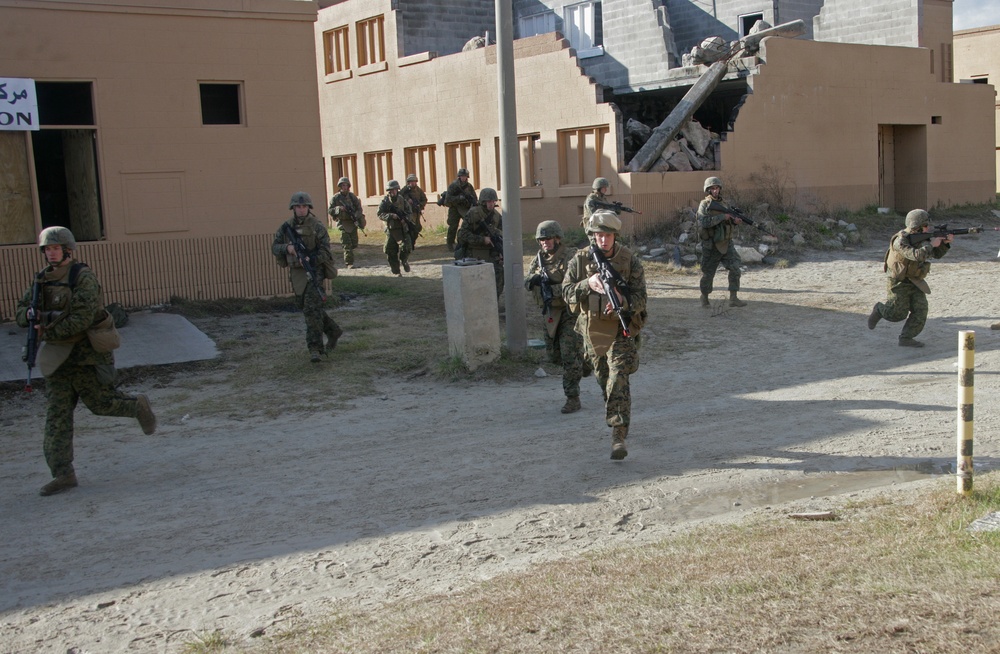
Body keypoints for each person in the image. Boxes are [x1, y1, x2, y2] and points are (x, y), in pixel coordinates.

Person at [15, 226, 157, 497]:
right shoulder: (40, 281)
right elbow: (22, 310)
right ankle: (63, 474)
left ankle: (137, 406)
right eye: (47, 249)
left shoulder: (83, 277)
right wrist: (30, 316)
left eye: (55, 248)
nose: (51, 254)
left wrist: (45, 326)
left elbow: (81, 318)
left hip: (87, 355)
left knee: (101, 404)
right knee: (56, 418)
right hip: (58, 358)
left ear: (67, 249)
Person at [562, 210, 647, 460]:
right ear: (593, 236)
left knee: (618, 377)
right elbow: (565, 293)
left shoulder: (629, 260)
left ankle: (617, 435)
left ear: (615, 235)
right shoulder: (580, 260)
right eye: (599, 235)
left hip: (620, 330)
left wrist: (623, 300)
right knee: (605, 382)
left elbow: (642, 298)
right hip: (592, 330)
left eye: (608, 235)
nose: (603, 240)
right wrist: (587, 284)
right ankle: (619, 417)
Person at [525, 220, 588, 414]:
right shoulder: (539, 259)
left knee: (569, 356)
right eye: (541, 239)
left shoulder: (570, 257)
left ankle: (572, 398)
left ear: (557, 238)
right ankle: (585, 361)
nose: (545, 242)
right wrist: (533, 281)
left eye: (548, 238)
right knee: (554, 356)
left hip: (570, 312)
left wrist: (549, 287)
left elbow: (575, 286)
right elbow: (527, 279)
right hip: (551, 313)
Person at [273, 191, 343, 362]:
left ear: (308, 208)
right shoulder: (286, 227)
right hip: (297, 273)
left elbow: (326, 251)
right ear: (293, 208)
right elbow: (275, 247)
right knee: (309, 309)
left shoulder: (317, 226)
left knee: (311, 310)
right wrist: (288, 249)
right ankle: (333, 331)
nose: (301, 209)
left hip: (314, 271)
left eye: (304, 206)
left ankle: (315, 349)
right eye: (298, 206)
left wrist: (310, 258)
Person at [867, 209, 951, 347]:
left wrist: (945, 244)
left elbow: (935, 254)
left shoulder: (922, 238)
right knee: (897, 313)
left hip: (915, 280)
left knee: (921, 310)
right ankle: (879, 310)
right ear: (916, 226)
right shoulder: (900, 240)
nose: (927, 228)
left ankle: (906, 338)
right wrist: (932, 244)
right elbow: (915, 255)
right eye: (925, 226)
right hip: (898, 281)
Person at [697, 176, 747, 308]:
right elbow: (703, 222)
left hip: (726, 242)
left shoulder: (724, 204)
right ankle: (704, 297)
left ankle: (733, 298)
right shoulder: (705, 205)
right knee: (708, 272)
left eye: (717, 188)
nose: (715, 191)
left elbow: (728, 222)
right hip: (712, 244)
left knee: (735, 268)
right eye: (712, 188)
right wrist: (722, 216)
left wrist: (734, 221)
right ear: (708, 190)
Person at [456, 187, 504, 299]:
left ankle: (493, 303)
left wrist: (497, 235)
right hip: (474, 253)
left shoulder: (497, 216)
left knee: (499, 278)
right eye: (488, 201)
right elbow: (462, 234)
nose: (491, 204)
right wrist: (482, 240)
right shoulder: (473, 213)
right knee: (475, 282)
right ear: (483, 202)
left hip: (491, 253)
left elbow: (503, 233)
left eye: (493, 201)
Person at [377, 180, 414, 276]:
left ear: (397, 190)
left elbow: (410, 213)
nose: (392, 192)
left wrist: (405, 219)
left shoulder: (402, 200)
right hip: (391, 229)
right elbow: (380, 214)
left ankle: (404, 260)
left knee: (407, 247)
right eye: (390, 190)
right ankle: (396, 271)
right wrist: (390, 216)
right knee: (390, 250)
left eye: (394, 190)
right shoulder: (385, 202)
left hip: (403, 228)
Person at [327, 177, 366, 268]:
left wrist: (355, 216)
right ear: (340, 186)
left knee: (354, 243)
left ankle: (349, 254)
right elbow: (330, 210)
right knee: (346, 243)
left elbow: (359, 209)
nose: (344, 187)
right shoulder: (336, 198)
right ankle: (349, 263)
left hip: (352, 223)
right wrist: (338, 209)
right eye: (343, 185)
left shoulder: (352, 197)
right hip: (342, 223)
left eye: (346, 185)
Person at [443, 167, 476, 250]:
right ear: (459, 176)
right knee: (453, 226)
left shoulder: (469, 186)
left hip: (465, 208)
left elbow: (474, 198)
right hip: (454, 208)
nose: (464, 178)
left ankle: (465, 241)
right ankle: (450, 243)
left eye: (465, 176)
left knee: (468, 224)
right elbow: (448, 199)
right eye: (462, 176)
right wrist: (459, 198)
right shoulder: (454, 186)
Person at [399, 173, 427, 247]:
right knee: (411, 227)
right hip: (408, 213)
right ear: (408, 182)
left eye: (414, 181)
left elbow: (424, 199)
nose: (413, 183)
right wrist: (407, 200)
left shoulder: (418, 190)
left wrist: (420, 205)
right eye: (411, 181)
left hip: (416, 211)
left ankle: (412, 241)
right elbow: (399, 197)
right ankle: (410, 243)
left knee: (417, 228)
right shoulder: (404, 190)